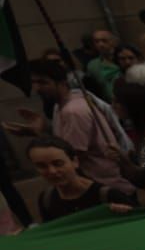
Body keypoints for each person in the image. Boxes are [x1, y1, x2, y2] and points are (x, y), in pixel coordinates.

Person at [3, 58, 132, 192]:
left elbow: (67, 156)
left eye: (43, 82)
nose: (37, 88)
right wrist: (39, 130)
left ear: (62, 83)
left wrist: (39, 134)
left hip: (106, 187)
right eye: (34, 82)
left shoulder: (73, 111)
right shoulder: (60, 106)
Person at [27, 135, 135, 222]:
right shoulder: (47, 199)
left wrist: (126, 213)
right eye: (42, 166)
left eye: (58, 164)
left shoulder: (108, 195)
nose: (52, 171)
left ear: (75, 162)